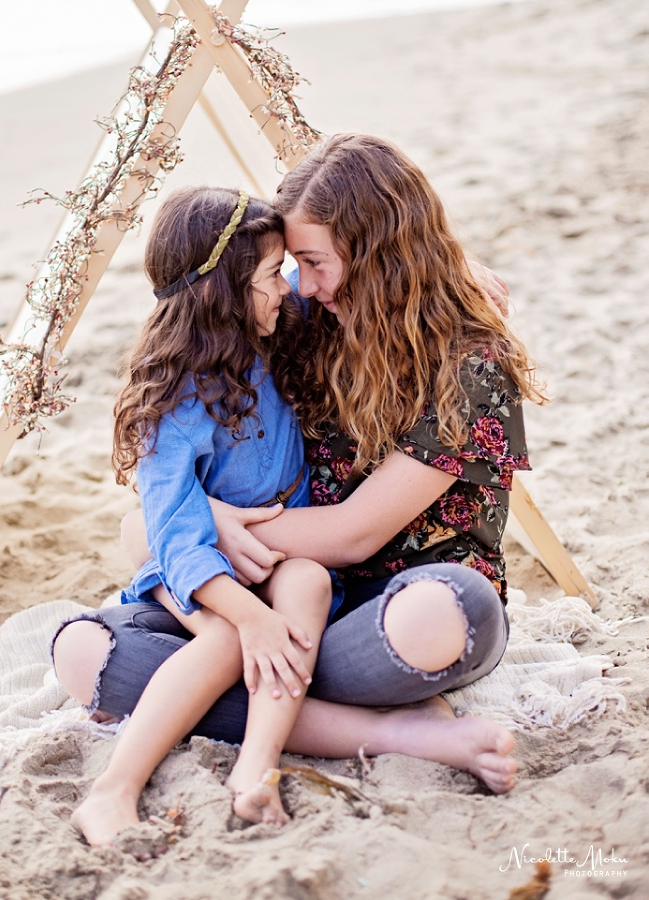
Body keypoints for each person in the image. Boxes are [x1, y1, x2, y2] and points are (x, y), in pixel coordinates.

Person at [56, 134, 542, 823]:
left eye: (312, 263)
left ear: (380, 254)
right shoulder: (307, 318)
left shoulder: (472, 366)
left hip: (386, 612)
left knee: (443, 618)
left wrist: (202, 522)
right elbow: (203, 308)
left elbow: (353, 534)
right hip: (288, 599)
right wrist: (196, 521)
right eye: (293, 266)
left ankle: (286, 705)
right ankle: (389, 729)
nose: (299, 284)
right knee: (85, 653)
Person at [55, 186, 339, 844]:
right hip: (195, 568)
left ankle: (253, 772)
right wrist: (251, 617)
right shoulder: (170, 400)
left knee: (312, 583)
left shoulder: (273, 327)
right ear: (226, 293)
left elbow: (356, 281)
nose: (287, 286)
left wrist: (469, 276)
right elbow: (177, 538)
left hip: (271, 559)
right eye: (272, 275)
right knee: (223, 637)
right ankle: (110, 792)